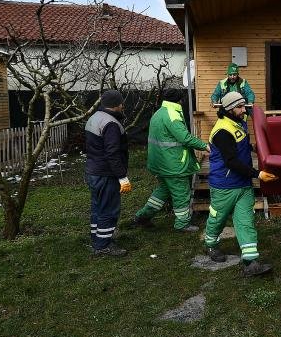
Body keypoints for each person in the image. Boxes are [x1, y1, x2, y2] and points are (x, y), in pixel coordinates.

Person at [203, 91, 278, 276]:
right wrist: (258, 174)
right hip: (225, 185)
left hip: (243, 184)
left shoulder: (239, 122)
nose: (244, 110)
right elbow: (231, 162)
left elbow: (243, 145)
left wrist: (255, 147)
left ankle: (250, 262)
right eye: (239, 107)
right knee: (217, 218)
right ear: (228, 109)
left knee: (246, 221)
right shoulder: (222, 131)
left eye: (244, 106)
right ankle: (211, 245)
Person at [134, 89, 209, 232]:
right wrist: (205, 146)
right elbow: (185, 138)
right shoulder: (173, 115)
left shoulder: (159, 113)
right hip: (173, 165)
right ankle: (182, 224)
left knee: (163, 191)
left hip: (160, 163)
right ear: (180, 101)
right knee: (181, 194)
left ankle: (143, 216)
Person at [85, 90, 132, 256]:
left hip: (93, 170)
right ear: (117, 105)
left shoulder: (94, 118)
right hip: (106, 174)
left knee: (98, 207)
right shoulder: (111, 124)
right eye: (121, 103)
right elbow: (112, 153)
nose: (122, 105)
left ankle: (97, 239)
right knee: (109, 209)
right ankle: (103, 245)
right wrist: (122, 177)